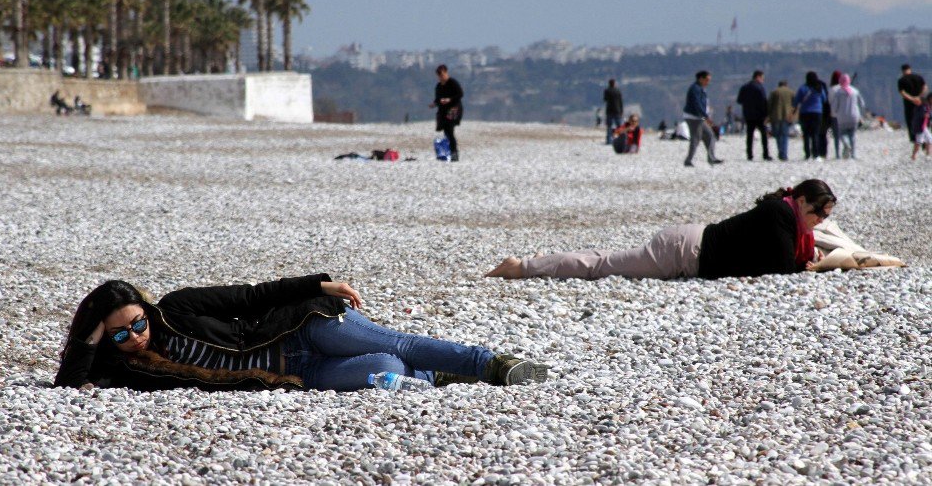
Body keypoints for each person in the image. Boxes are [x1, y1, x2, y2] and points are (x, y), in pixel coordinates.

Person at [55, 274, 548, 392]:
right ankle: (438, 372)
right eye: (120, 334)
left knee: (394, 344)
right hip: (299, 374)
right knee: (386, 370)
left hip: (303, 330)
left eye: (136, 323)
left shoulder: (177, 307)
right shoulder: (126, 369)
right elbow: (69, 384)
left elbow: (251, 298)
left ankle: (490, 364)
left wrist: (317, 284)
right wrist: (94, 329)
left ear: (146, 308)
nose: (135, 336)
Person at [486, 179, 836, 281]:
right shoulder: (778, 212)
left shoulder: (787, 217)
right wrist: (811, 265)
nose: (821, 218)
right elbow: (779, 264)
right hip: (682, 253)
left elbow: (783, 256)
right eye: (819, 211)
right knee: (601, 267)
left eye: (826, 213)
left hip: (689, 244)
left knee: (605, 260)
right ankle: (521, 267)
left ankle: (545, 260)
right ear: (802, 200)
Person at [682, 70, 724, 167]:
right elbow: (697, 104)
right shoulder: (695, 89)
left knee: (709, 136)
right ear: (701, 79)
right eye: (707, 80)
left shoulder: (700, 88)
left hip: (698, 117)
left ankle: (711, 158)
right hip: (694, 117)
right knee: (696, 138)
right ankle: (688, 161)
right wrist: (705, 116)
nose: (708, 82)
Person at [430, 65, 463, 162]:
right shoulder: (439, 86)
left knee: (449, 130)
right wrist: (435, 103)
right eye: (439, 75)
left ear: (446, 72)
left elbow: (460, 94)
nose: (441, 77)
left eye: (442, 74)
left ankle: (454, 153)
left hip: (454, 109)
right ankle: (451, 151)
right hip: (443, 111)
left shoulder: (452, 83)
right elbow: (438, 98)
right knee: (446, 132)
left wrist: (449, 100)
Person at [737, 70, 772, 161]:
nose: (763, 80)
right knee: (764, 135)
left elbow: (739, 100)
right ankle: (765, 154)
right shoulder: (760, 88)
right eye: (762, 78)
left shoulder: (745, 87)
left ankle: (749, 154)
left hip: (748, 114)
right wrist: (766, 114)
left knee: (750, 135)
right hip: (759, 115)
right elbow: (764, 101)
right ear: (758, 77)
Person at [830, 73, 866, 159]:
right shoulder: (855, 91)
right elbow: (862, 104)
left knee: (842, 134)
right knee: (852, 135)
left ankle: (846, 144)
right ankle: (853, 154)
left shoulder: (838, 92)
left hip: (842, 117)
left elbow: (834, 106)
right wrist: (861, 114)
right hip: (854, 116)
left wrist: (834, 113)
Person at [793, 72, 828, 160]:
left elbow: (796, 100)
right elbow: (824, 99)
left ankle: (807, 154)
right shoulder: (819, 88)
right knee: (815, 134)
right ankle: (816, 154)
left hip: (804, 113)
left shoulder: (802, 88)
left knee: (806, 135)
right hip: (817, 113)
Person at [898, 64, 927, 143]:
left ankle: (914, 138)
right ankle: (924, 136)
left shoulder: (901, 80)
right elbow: (924, 87)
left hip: (909, 104)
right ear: (910, 69)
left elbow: (902, 92)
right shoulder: (918, 77)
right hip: (921, 102)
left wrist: (912, 99)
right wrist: (919, 97)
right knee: (922, 118)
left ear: (902, 71)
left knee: (910, 119)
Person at [768, 80, 795, 161]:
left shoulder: (774, 92)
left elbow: (769, 104)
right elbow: (795, 104)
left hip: (775, 116)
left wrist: (768, 115)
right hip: (787, 116)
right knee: (784, 135)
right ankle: (784, 154)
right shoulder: (791, 92)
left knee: (778, 135)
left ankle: (780, 151)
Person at [908, 91, 932, 160]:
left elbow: (928, 115)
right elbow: (921, 115)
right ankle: (914, 155)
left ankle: (928, 154)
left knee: (929, 139)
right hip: (920, 126)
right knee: (919, 142)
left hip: (923, 126)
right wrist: (926, 115)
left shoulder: (925, 106)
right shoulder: (922, 107)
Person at [603, 79, 624, 145]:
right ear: (614, 84)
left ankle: (609, 140)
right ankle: (621, 139)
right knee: (619, 126)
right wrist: (621, 111)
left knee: (609, 126)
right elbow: (621, 102)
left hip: (609, 110)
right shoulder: (618, 91)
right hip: (617, 110)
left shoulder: (607, 91)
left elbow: (605, 99)